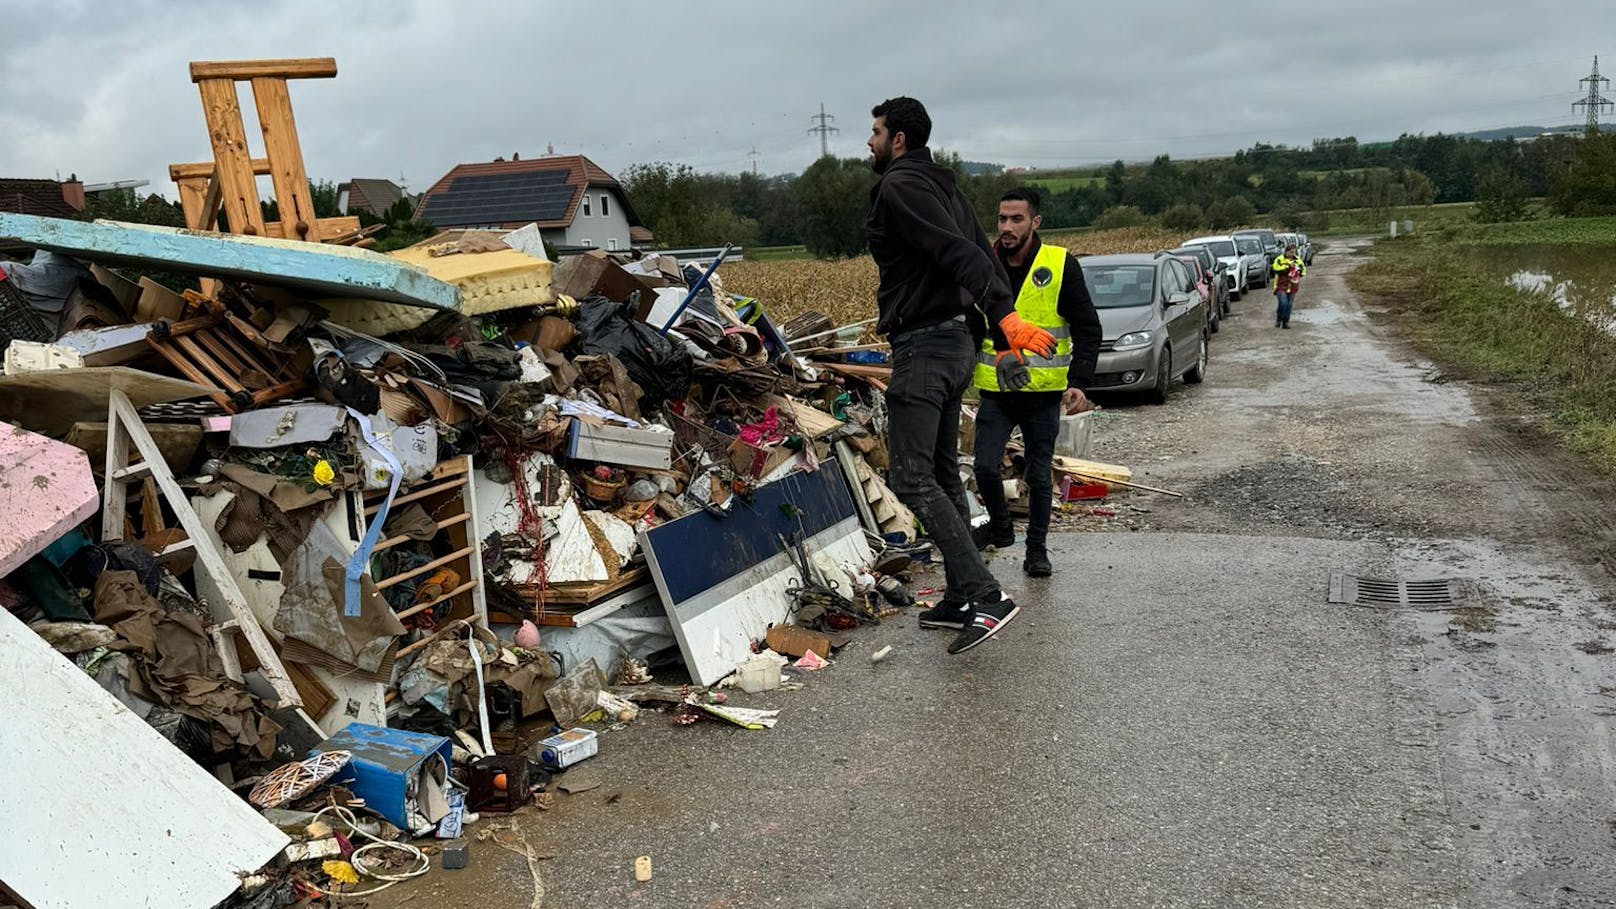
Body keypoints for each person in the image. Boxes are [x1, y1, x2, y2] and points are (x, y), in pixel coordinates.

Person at [865, 96, 1056, 655]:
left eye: (876, 132)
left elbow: (958, 251)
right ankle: (957, 598)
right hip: (955, 345)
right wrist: (999, 332)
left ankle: (985, 595)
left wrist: (1006, 317)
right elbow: (982, 251)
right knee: (945, 472)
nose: (870, 142)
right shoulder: (944, 186)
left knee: (911, 477)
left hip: (925, 346)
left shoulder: (900, 187)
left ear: (899, 139)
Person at [971, 187, 1102, 578]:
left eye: (1017, 219)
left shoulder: (1060, 264)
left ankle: (1037, 550)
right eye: (1001, 219)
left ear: (1035, 222)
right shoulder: (981, 264)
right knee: (984, 467)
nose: (1007, 227)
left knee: (1039, 474)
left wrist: (1080, 381)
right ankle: (1001, 526)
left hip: (1044, 393)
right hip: (996, 390)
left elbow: (1088, 327)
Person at [1271, 242, 1306, 328]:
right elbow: (1275, 268)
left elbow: (1303, 270)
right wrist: (1287, 268)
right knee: (1283, 303)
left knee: (1289, 305)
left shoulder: (1298, 260)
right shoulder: (1279, 259)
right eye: (1290, 252)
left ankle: (1285, 322)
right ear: (1286, 251)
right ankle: (1279, 318)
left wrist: (1299, 272)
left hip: (1293, 285)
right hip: (1281, 285)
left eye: (1293, 252)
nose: (1292, 254)